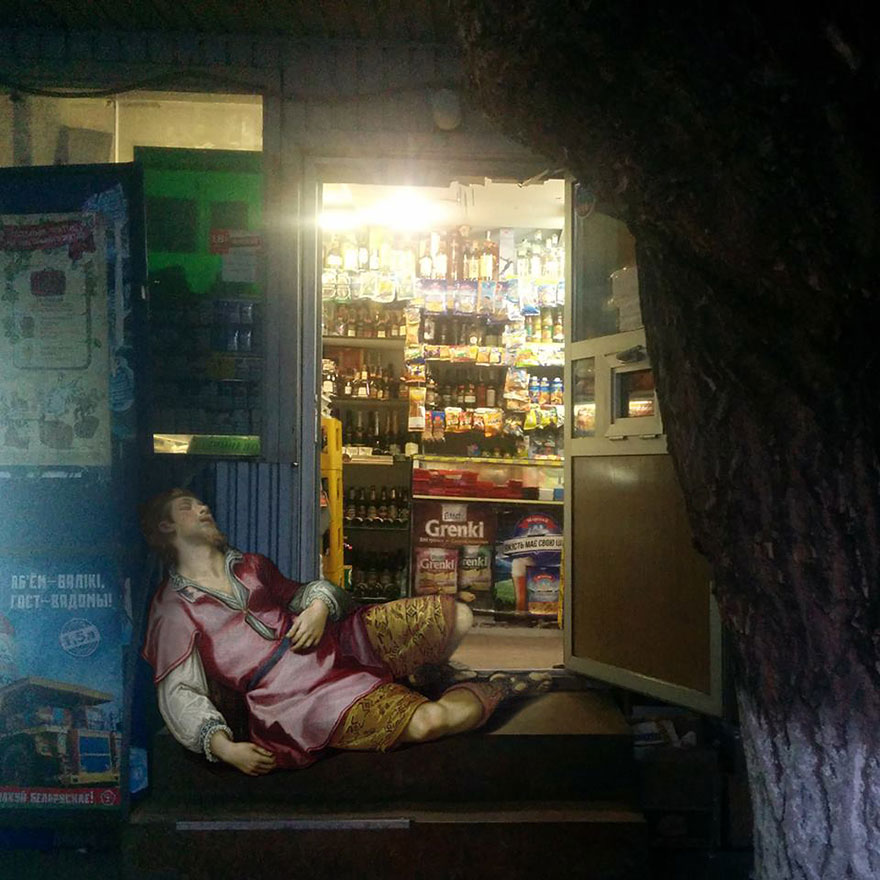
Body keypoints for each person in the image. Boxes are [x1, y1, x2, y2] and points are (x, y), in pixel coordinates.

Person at [140, 488, 549, 775]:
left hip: (339, 641)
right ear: (165, 528)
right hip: (297, 697)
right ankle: (499, 689)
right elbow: (180, 691)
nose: (203, 508)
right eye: (187, 508)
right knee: (429, 722)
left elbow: (305, 592)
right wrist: (224, 747)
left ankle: (424, 676)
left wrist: (319, 607)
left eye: (200, 503)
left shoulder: (250, 565)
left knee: (457, 616)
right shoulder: (173, 608)